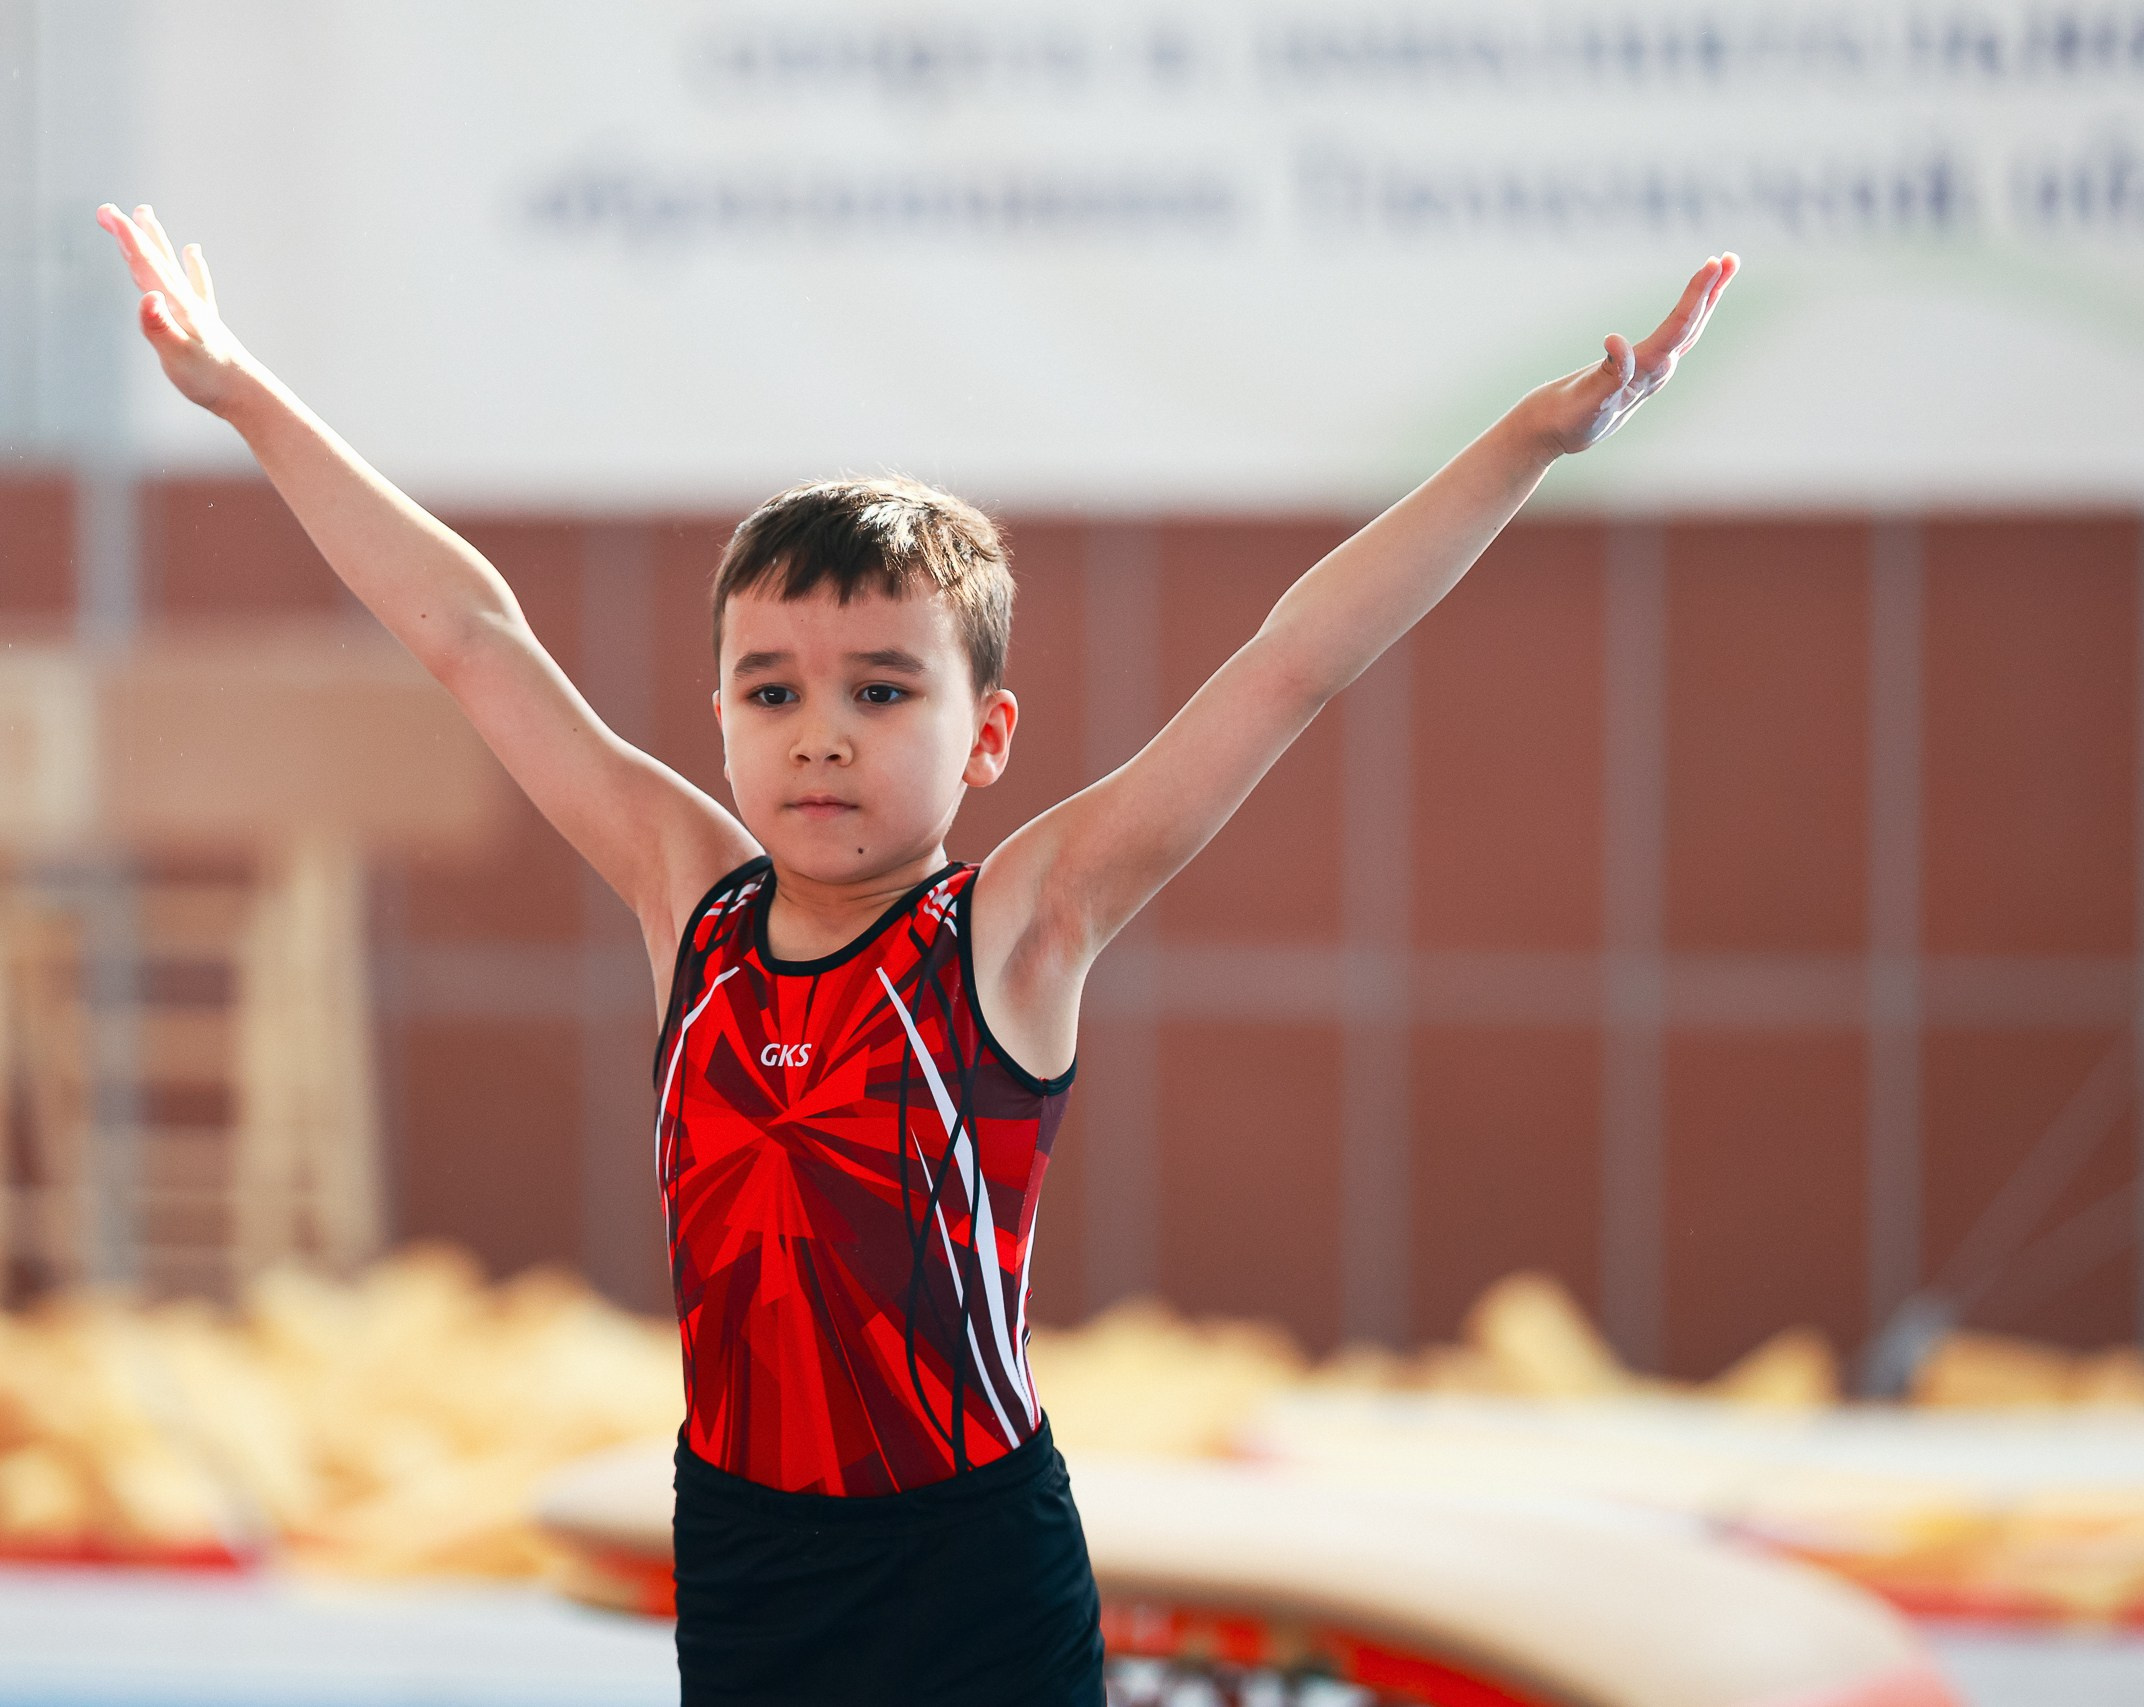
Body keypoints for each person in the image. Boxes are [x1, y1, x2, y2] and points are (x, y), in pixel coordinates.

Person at [97, 201, 1734, 1705]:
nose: (821, 738)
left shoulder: (1017, 929)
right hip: (743, 1552)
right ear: (722, 717)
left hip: (966, 1567)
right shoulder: (691, 898)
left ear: (987, 737)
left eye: (883, 690)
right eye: (774, 690)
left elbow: (1292, 662)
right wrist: (246, 397)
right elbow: (471, 636)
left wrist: (1531, 440)